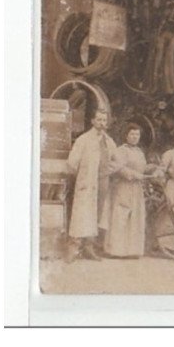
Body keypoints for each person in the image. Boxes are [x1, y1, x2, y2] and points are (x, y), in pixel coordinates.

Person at [66, 109, 116, 263]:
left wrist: (109, 170)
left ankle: (89, 248)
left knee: (97, 215)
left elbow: (116, 160)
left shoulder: (108, 141)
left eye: (104, 121)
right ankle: (73, 249)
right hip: (87, 183)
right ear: (93, 121)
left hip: (102, 182)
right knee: (82, 214)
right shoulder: (84, 140)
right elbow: (72, 163)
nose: (101, 124)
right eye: (99, 120)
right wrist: (82, 179)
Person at [103, 123, 149, 258]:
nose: (135, 137)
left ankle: (132, 250)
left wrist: (152, 170)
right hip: (123, 186)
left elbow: (142, 168)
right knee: (121, 216)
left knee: (135, 217)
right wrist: (134, 175)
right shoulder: (121, 150)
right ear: (126, 136)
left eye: (137, 134)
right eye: (132, 134)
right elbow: (118, 168)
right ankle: (116, 250)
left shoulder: (139, 152)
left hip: (136, 188)